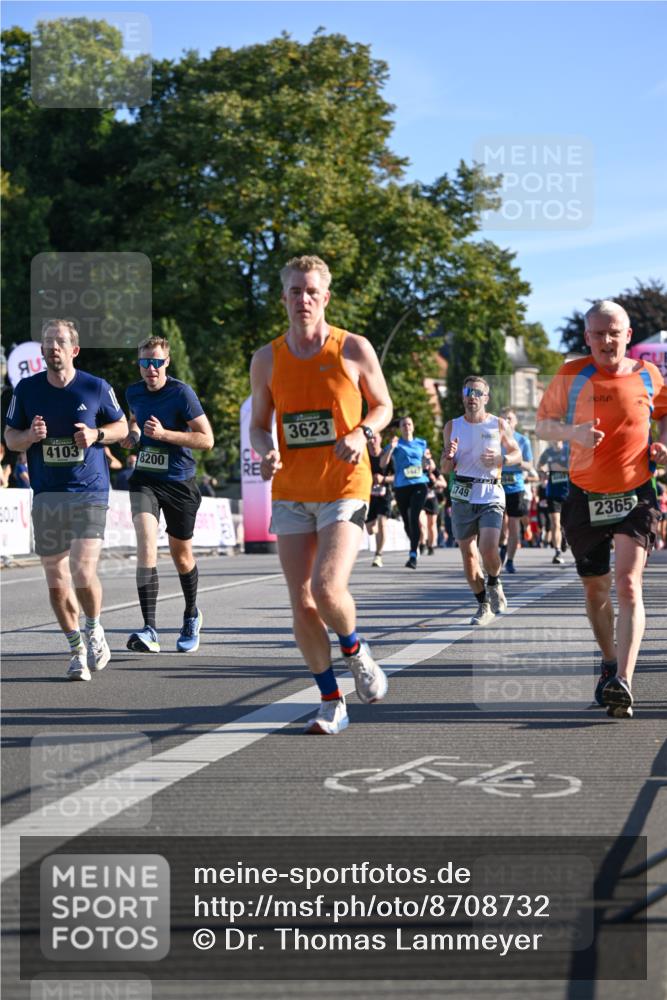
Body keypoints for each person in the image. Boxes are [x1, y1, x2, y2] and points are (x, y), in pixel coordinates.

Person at [249, 254, 392, 735]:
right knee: (302, 602)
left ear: (325, 297)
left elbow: (385, 405)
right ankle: (332, 700)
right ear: (284, 296)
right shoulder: (266, 358)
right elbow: (258, 426)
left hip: (345, 484)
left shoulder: (352, 348)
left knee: (327, 588)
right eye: (295, 291)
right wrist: (266, 452)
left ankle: (355, 648)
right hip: (291, 490)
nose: (303, 299)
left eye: (312, 292)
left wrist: (363, 432)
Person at [536, 300, 667, 719]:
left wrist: (662, 445)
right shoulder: (571, 375)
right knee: (596, 589)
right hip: (586, 494)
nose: (606, 340)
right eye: (598, 333)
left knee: (628, 584)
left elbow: (663, 415)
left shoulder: (649, 374)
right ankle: (609, 662)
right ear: (586, 337)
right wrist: (572, 432)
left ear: (628, 335)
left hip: (636, 493)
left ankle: (623, 680)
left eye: (614, 332)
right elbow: (542, 425)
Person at [4, 319, 128, 680]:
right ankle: (76, 649)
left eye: (59, 342)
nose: (52, 347)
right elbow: (10, 438)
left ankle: (94, 628)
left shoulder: (95, 387)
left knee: (82, 569)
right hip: (47, 495)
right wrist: (29, 435)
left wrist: (97, 433)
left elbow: (121, 428)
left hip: (89, 490)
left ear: (74, 349)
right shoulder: (26, 391)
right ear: (42, 351)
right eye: (47, 342)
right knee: (56, 579)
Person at [122, 335, 214, 654]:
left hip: (179, 482)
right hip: (145, 478)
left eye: (157, 362)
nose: (151, 369)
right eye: (146, 363)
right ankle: (150, 629)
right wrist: (133, 435)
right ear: (140, 365)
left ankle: (191, 614)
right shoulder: (133, 392)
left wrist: (164, 435)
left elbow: (207, 439)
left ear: (167, 362)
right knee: (146, 544)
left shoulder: (181, 393)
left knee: (181, 555)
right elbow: (134, 419)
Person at [441, 375, 521, 626]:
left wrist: (501, 460)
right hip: (463, 494)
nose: (472, 396)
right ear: (462, 396)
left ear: (486, 398)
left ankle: (495, 582)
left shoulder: (497, 424)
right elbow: (445, 468)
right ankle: (483, 603)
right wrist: (449, 457)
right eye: (468, 391)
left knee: (488, 548)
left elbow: (516, 453)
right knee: (468, 556)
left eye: (478, 392)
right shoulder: (452, 426)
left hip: (491, 493)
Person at [380, 416, 433, 569]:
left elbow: (426, 465)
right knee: (406, 521)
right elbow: (383, 463)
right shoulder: (396, 444)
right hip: (401, 486)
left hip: (419, 484)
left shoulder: (421, 443)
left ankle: (413, 555)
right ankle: (415, 544)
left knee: (414, 517)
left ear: (413, 427)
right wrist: (390, 447)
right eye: (403, 425)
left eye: (409, 424)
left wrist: (427, 461)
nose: (406, 427)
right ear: (400, 428)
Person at [498, 407, 537, 573]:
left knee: (514, 525)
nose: (507, 421)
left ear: (515, 422)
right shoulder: (493, 439)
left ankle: (510, 560)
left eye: (510, 419)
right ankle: (502, 546)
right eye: (504, 419)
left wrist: (516, 461)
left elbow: (529, 465)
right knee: (498, 525)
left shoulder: (523, 441)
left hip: (516, 486)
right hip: (497, 486)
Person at [537, 439, 570, 564]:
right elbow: (539, 465)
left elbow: (578, 466)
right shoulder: (548, 452)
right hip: (553, 493)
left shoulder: (568, 450)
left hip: (568, 492)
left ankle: (564, 537)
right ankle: (557, 552)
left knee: (567, 522)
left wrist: (562, 468)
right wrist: (543, 474)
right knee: (555, 523)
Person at [365, 432, 393, 567]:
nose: (372, 440)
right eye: (370, 438)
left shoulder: (387, 456)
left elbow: (397, 476)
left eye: (375, 437)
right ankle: (377, 535)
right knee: (370, 529)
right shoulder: (364, 457)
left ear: (381, 439)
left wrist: (384, 479)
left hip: (384, 494)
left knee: (382, 522)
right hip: (368, 495)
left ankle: (378, 555)